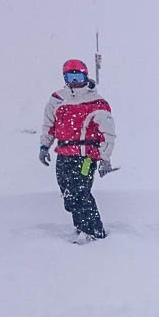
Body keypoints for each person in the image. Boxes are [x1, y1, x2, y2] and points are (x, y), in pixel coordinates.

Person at [39, 59, 116, 243]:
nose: (74, 81)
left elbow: (108, 133)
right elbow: (49, 125)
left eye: (78, 77)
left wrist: (105, 158)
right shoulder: (57, 99)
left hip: (86, 157)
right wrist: (44, 146)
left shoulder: (96, 102)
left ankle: (94, 231)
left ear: (85, 77)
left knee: (80, 191)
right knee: (67, 192)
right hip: (63, 154)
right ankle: (81, 226)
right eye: (70, 77)